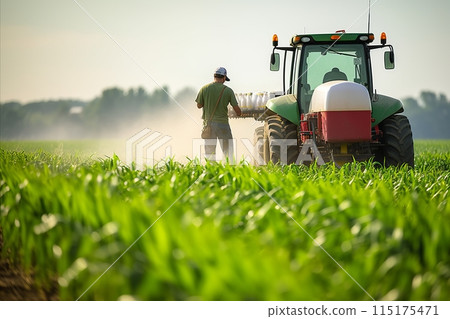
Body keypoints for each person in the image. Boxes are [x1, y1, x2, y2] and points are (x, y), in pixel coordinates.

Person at [196, 67, 242, 161]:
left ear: (214, 76)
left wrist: (209, 100)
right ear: (224, 77)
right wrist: (239, 113)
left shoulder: (204, 89)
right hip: (223, 125)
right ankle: (229, 171)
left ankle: (211, 173)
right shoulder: (228, 90)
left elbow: (199, 105)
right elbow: (237, 110)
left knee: (209, 153)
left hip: (209, 125)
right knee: (228, 152)